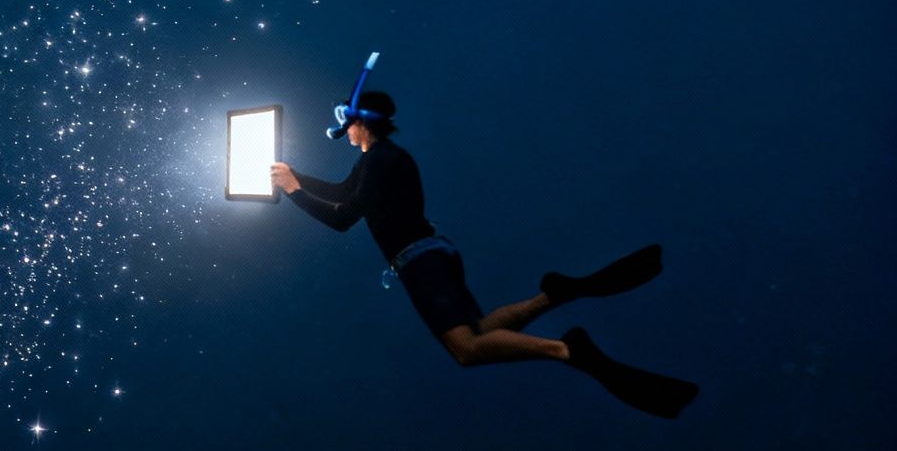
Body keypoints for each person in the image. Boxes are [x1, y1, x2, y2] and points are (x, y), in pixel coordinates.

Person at [268, 83, 698, 419]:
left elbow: (342, 218)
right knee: (478, 329)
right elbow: (344, 192)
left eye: (346, 115)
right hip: (434, 255)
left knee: (466, 350)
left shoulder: (381, 161)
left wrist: (292, 194)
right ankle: (556, 294)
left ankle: (566, 351)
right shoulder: (378, 159)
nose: (342, 125)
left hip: (420, 262)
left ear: (360, 121)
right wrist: (295, 177)